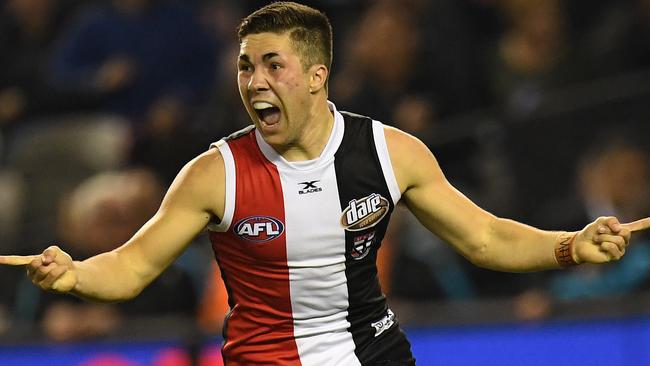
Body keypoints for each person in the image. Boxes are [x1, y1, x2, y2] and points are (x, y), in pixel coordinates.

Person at [1, 2, 649, 365]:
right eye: (246, 66)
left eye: (273, 66)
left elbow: (483, 237)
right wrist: (76, 275)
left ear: (316, 76)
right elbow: (133, 266)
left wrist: (570, 246)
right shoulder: (214, 172)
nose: (254, 82)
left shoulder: (389, 152)